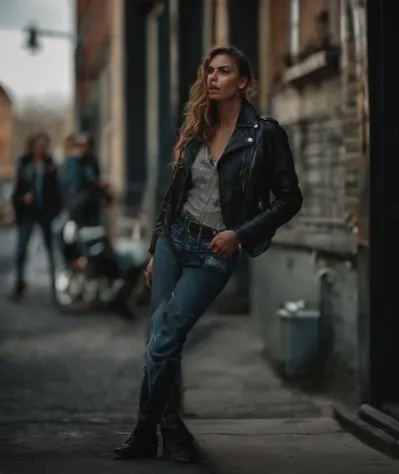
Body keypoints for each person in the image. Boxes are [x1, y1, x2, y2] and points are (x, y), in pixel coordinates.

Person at [114, 46, 303, 463]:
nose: (213, 78)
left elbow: (290, 199)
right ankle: (164, 431)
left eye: (223, 71)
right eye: (209, 71)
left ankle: (155, 430)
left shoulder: (265, 134)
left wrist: (239, 234)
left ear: (244, 82)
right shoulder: (198, 126)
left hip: (215, 250)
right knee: (160, 340)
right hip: (172, 241)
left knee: (164, 339)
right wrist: (153, 251)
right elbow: (172, 198)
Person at [11, 133, 62, 300]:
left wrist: (55, 211)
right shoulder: (24, 163)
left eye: (43, 146)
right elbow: (16, 191)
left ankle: (56, 287)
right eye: (38, 146)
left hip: (45, 213)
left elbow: (57, 191)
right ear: (32, 147)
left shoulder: (50, 164)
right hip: (27, 213)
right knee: (21, 250)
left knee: (51, 250)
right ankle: (19, 284)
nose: (41, 149)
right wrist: (22, 200)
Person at [60, 133, 104, 227]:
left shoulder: (92, 161)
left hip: (90, 206)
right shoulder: (72, 162)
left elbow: (94, 179)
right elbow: (67, 184)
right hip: (74, 207)